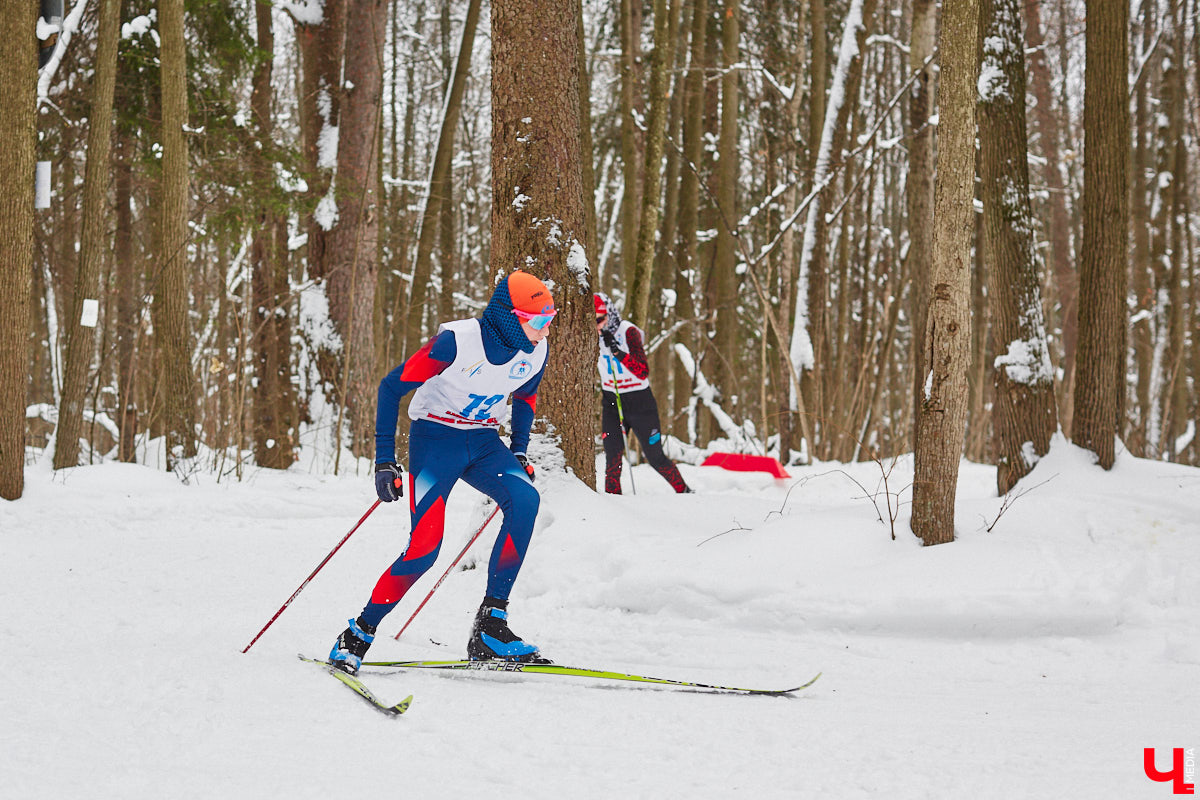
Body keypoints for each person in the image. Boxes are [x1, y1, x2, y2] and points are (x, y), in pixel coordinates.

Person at [328, 271, 556, 674]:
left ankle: (491, 626)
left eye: (550, 318)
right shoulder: (456, 342)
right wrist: (384, 459)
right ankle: (358, 634)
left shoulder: (535, 351)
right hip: (435, 442)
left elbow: (525, 397)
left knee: (525, 500)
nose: (545, 327)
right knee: (425, 548)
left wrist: (518, 451)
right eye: (537, 320)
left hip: (484, 442)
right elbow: (390, 387)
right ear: (509, 317)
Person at [594, 292, 692, 495]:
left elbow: (642, 370)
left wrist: (618, 353)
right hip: (612, 401)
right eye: (593, 321)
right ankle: (613, 505)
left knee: (655, 457)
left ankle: (685, 492)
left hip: (640, 402)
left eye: (600, 320)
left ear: (610, 314)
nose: (597, 326)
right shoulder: (589, 336)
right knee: (612, 457)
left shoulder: (628, 331)